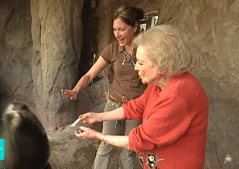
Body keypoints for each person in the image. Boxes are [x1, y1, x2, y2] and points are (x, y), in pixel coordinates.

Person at [74, 25, 209, 169]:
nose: (136, 67)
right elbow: (137, 106)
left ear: (161, 65)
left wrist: (98, 136)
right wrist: (99, 117)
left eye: (141, 63)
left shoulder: (178, 95)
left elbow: (140, 140)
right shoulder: (159, 83)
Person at [61, 5, 146, 169]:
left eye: (121, 29)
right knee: (105, 145)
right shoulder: (112, 49)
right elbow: (89, 75)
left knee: (129, 150)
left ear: (135, 26)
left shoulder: (145, 49)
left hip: (136, 107)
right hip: (114, 104)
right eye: (115, 29)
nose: (117, 34)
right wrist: (77, 89)